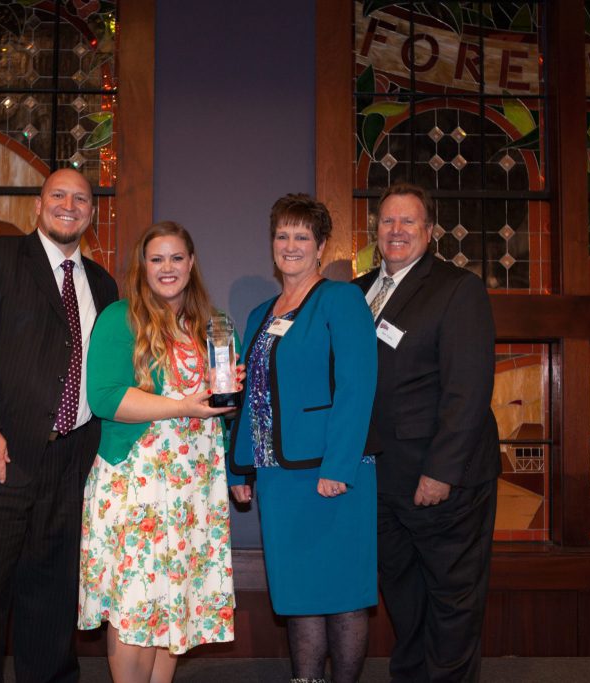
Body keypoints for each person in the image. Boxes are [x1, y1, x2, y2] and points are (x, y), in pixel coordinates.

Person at [0, 167, 118, 683]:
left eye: (80, 198)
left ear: (92, 212)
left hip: (66, 467)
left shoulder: (103, 284)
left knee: (51, 608)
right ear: (37, 206)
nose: (69, 204)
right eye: (58, 195)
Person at [78, 221, 240, 683]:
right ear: (142, 266)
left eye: (176, 258)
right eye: (157, 259)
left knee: (175, 601)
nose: (167, 268)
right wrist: (184, 406)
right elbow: (106, 397)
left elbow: (223, 408)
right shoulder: (120, 318)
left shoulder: (217, 324)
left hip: (194, 487)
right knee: (135, 602)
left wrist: (229, 397)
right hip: (137, 482)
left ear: (191, 263)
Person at [352, 182, 500, 682]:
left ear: (429, 232)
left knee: (451, 598)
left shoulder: (457, 289)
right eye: (388, 221)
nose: (396, 231)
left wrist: (441, 472)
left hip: (441, 480)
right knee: (403, 593)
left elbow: (469, 389)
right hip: (380, 477)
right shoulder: (359, 291)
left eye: (408, 221)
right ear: (375, 230)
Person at [228, 194, 378, 683]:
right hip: (277, 479)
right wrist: (240, 467)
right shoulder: (258, 315)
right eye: (282, 235)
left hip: (329, 472)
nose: (290, 245)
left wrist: (338, 467)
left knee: (342, 594)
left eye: (301, 236)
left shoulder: (342, 300)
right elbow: (249, 394)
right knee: (299, 597)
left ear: (320, 246)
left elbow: (357, 386)